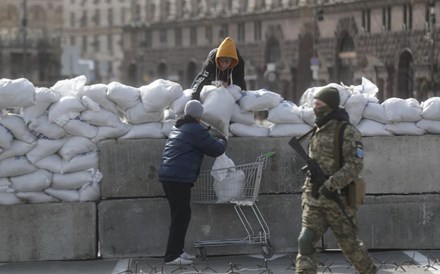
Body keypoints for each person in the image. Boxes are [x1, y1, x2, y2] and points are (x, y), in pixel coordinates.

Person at [295, 87, 378, 274]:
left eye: (319, 104)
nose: (314, 108)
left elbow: (354, 165)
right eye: (314, 104)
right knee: (305, 240)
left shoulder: (346, 131)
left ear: (330, 105)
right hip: (314, 198)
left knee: (351, 246)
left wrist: (331, 184)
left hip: (337, 199)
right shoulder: (317, 129)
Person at [158, 100, 228, 265]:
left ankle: (178, 251)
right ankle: (172, 256)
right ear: (199, 116)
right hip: (177, 178)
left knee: (181, 214)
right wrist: (224, 139)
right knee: (180, 215)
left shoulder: (179, 126)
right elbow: (216, 149)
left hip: (169, 175)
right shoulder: (195, 129)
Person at [191, 37, 247, 101]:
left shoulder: (239, 62)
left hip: (230, 72)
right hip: (214, 71)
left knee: (230, 87)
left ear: (232, 61)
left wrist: (243, 98)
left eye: (227, 62)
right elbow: (201, 78)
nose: (224, 65)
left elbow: (240, 81)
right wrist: (194, 97)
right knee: (209, 83)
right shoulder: (212, 60)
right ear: (218, 59)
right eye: (222, 61)